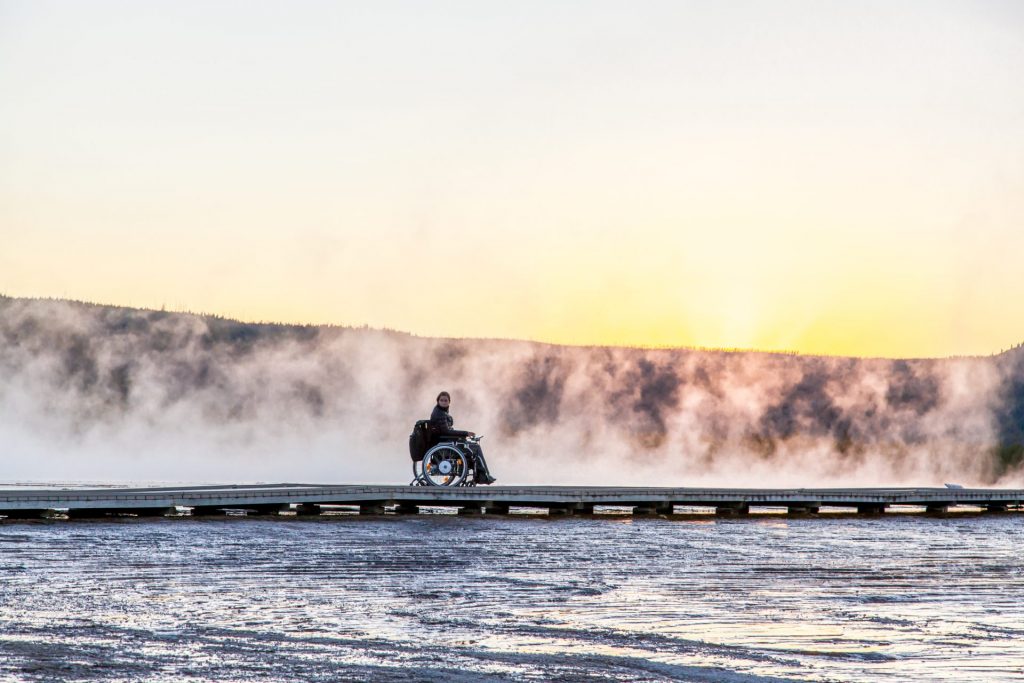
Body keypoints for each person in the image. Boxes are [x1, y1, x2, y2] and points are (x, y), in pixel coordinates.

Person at [429, 391, 496, 485]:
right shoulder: (439, 414)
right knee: (475, 448)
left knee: (473, 447)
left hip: (446, 441)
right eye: (442, 400)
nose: (444, 402)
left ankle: (482, 475)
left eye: (446, 400)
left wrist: (462, 436)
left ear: (449, 402)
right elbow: (446, 432)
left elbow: (446, 431)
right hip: (445, 443)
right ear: (438, 401)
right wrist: (465, 433)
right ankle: (483, 476)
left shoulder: (441, 412)